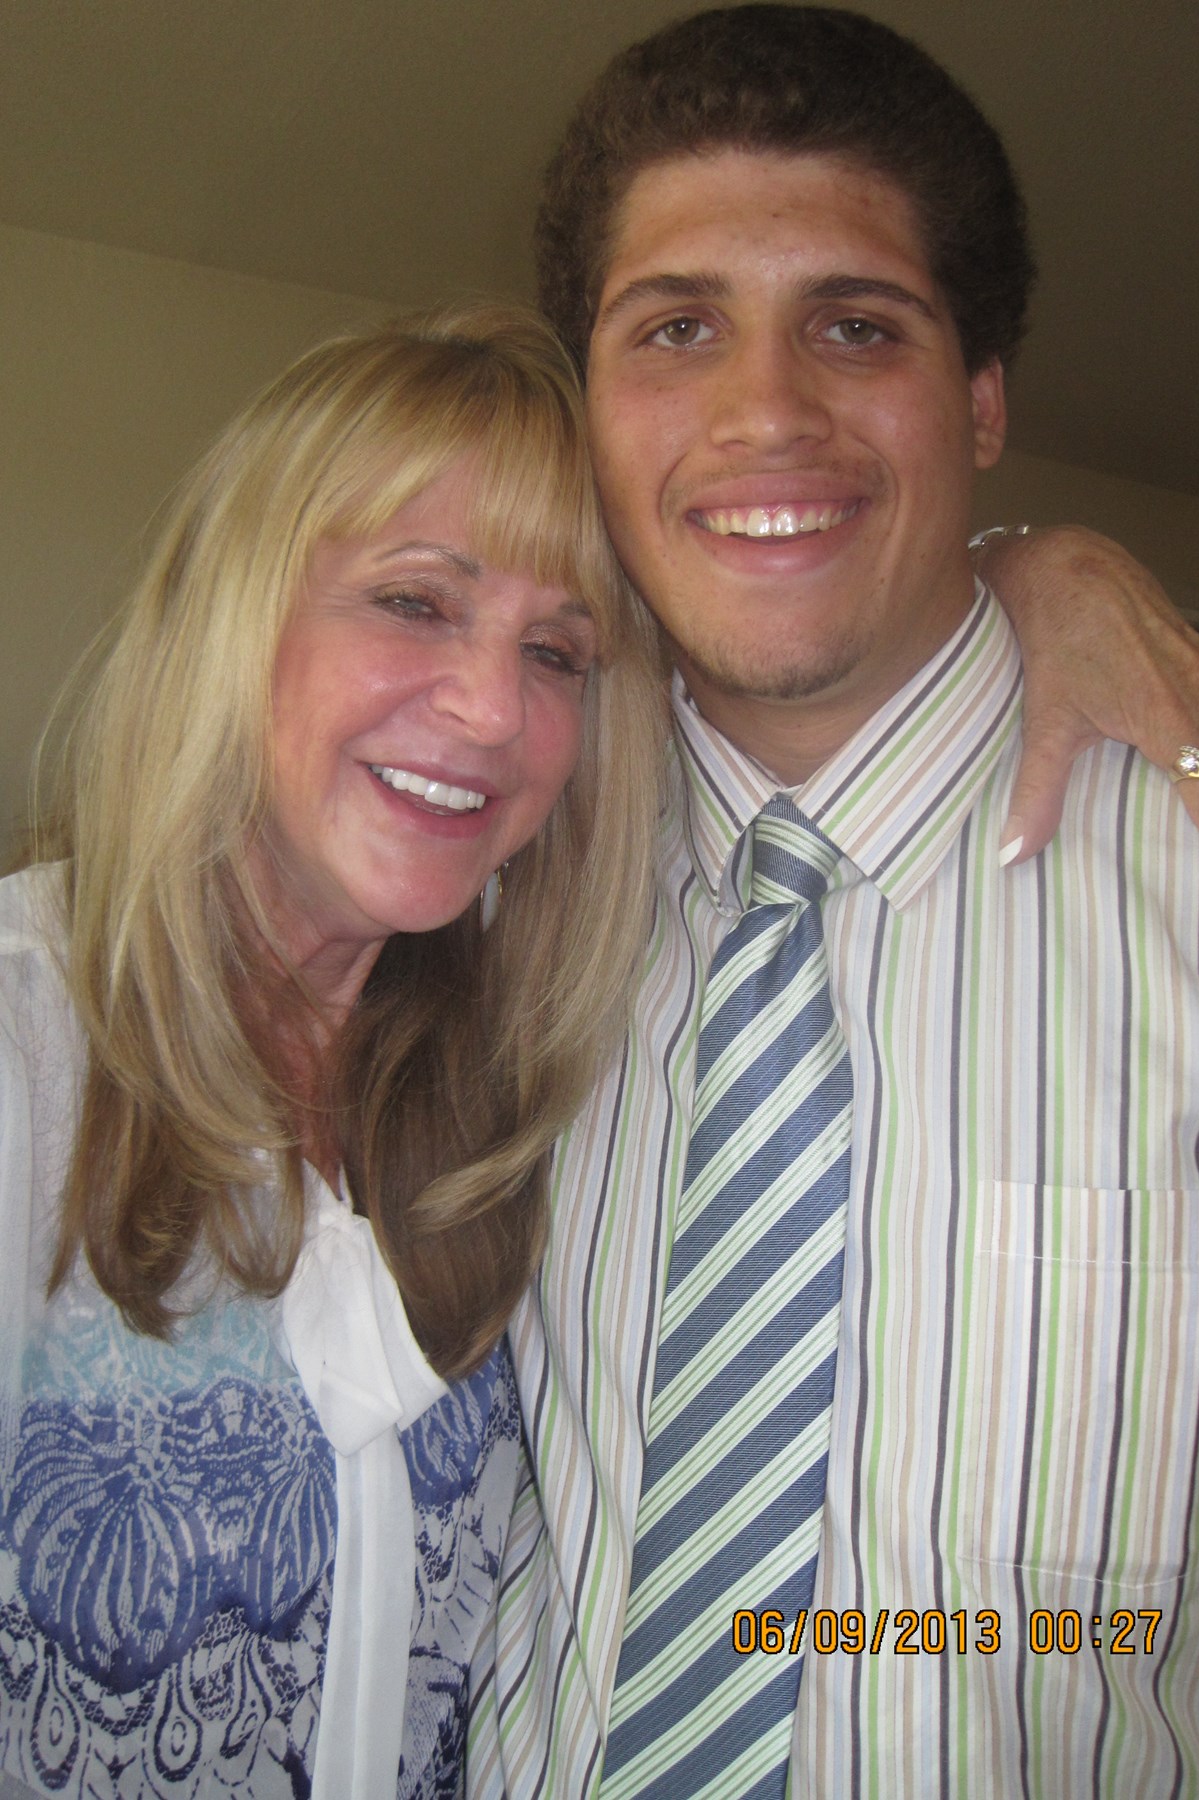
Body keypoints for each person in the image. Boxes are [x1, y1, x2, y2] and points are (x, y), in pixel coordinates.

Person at [471, 10, 1199, 1796]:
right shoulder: (481, 877)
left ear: (982, 403)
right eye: (676, 328)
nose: (765, 411)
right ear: (589, 408)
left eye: (856, 325)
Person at [0, 304, 666, 1799]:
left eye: (557, 651)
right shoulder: (28, 1046)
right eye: (415, 601)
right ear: (227, 611)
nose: (492, 709)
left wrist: (1025, 572)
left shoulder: (527, 1088)